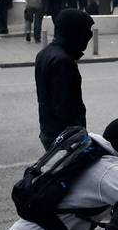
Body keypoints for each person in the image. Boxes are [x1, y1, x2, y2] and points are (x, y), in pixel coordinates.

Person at [35, 9, 93, 149]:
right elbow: (66, 108)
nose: (89, 36)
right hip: (63, 138)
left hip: (50, 131)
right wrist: (79, 141)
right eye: (85, 31)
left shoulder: (45, 53)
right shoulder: (63, 61)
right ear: (75, 32)